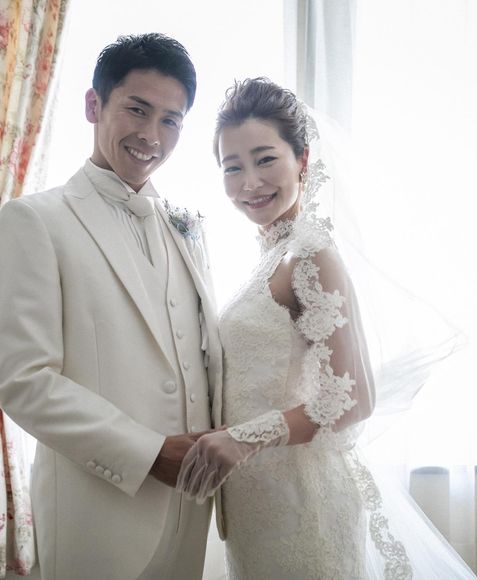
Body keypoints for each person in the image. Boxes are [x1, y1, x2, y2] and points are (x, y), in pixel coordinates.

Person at [177, 77, 477, 579]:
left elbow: (354, 397)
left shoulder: (311, 254)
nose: (249, 182)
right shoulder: (270, 256)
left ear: (302, 159)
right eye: (232, 167)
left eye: (265, 159)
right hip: (258, 502)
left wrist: (241, 438)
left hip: (303, 506)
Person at [0, 33, 223, 580]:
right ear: (93, 105)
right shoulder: (33, 220)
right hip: (97, 514)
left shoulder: (186, 226)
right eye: (137, 110)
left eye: (170, 120)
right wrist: (148, 453)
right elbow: (23, 379)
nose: (152, 135)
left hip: (190, 511)